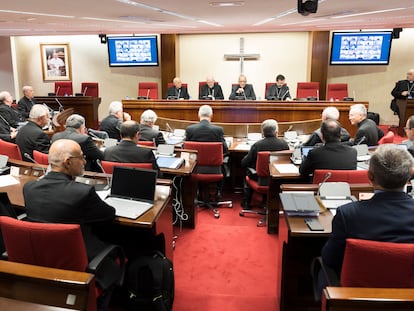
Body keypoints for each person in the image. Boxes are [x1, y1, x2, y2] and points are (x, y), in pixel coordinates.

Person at [23, 139, 119, 310]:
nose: (84, 162)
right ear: (68, 162)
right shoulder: (82, 192)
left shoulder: (29, 188)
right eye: (81, 158)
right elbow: (109, 214)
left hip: (37, 262)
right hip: (79, 267)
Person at [320, 144, 414, 279]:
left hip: (357, 296)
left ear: (370, 176)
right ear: (410, 174)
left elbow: (330, 259)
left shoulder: (348, 214)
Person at [241, 119, 289, 209]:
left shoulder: (257, 145)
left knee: (247, 170)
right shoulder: (284, 144)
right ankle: (266, 200)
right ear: (276, 132)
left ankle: (246, 202)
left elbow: (244, 163)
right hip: (278, 179)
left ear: (262, 132)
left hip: (261, 179)